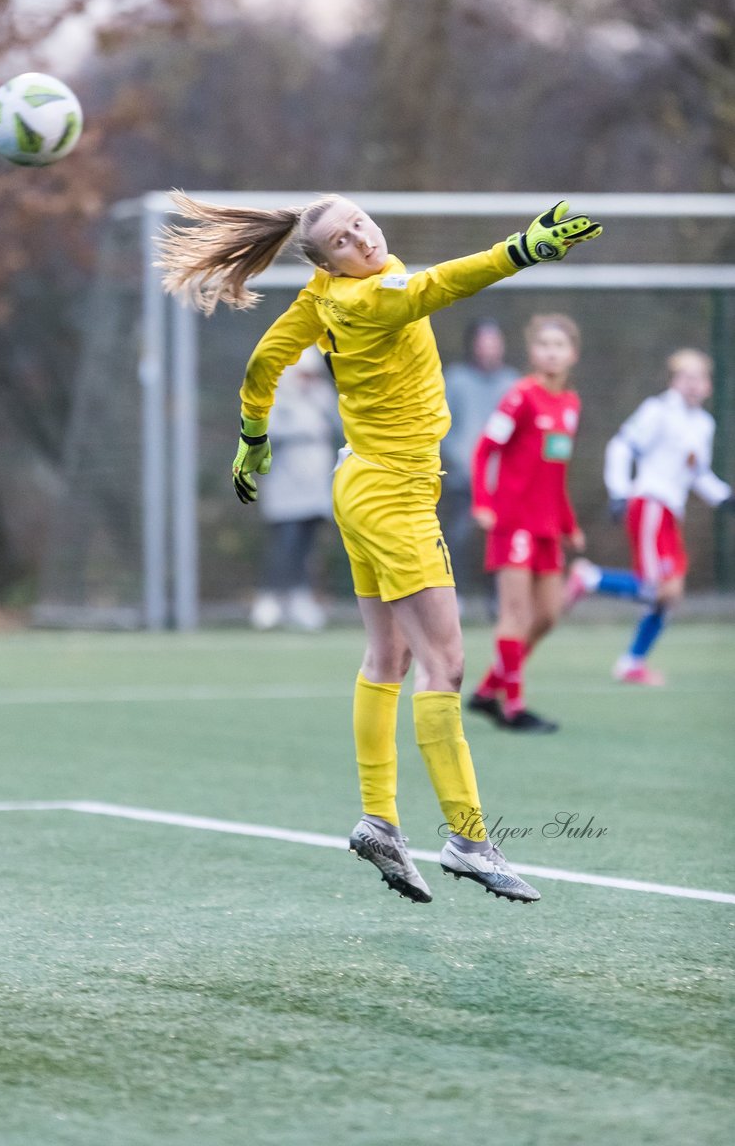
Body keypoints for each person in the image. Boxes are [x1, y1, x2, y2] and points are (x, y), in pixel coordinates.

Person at [156, 193, 601, 905]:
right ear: (329, 260)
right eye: (341, 238)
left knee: (386, 657)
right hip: (392, 496)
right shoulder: (374, 296)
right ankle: (467, 839)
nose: (360, 237)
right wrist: (522, 249)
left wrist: (252, 439)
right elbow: (440, 284)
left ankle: (379, 820)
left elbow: (264, 362)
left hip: (357, 481)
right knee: (445, 664)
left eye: (358, 222)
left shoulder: (323, 294)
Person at [565, 348, 733, 684]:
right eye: (685, 377)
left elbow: (696, 473)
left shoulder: (703, 424)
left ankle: (632, 662)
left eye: (699, 377)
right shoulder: (657, 411)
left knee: (671, 593)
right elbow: (621, 447)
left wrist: (725, 498)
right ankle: (591, 578)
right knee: (656, 588)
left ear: (709, 385)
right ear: (673, 381)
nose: (693, 384)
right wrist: (619, 491)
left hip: (672, 512)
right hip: (650, 504)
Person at [467, 314, 585, 734]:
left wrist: (569, 523)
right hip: (512, 523)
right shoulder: (520, 397)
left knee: (549, 616)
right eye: (544, 344)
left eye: (560, 345)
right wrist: (484, 502)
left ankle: (486, 690)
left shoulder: (570, 404)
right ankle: (514, 707)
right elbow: (485, 450)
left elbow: (556, 473)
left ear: (573, 353)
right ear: (532, 352)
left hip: (547, 528)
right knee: (515, 616)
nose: (551, 352)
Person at [250, 345, 340, 631]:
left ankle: (301, 599)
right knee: (285, 544)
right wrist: (301, 430)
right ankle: (271, 599)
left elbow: (338, 425)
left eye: (311, 375)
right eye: (302, 375)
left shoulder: (322, 398)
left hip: (315, 487)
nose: (307, 380)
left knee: (306, 545)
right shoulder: (277, 400)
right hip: (286, 487)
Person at [440, 318, 519, 604]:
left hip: (503, 479)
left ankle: (498, 597)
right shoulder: (457, 380)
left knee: (500, 539)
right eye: (484, 342)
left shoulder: (512, 382)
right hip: (465, 477)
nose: (489, 348)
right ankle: (454, 595)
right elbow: (443, 428)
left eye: (494, 341)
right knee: (459, 536)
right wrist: (462, 461)